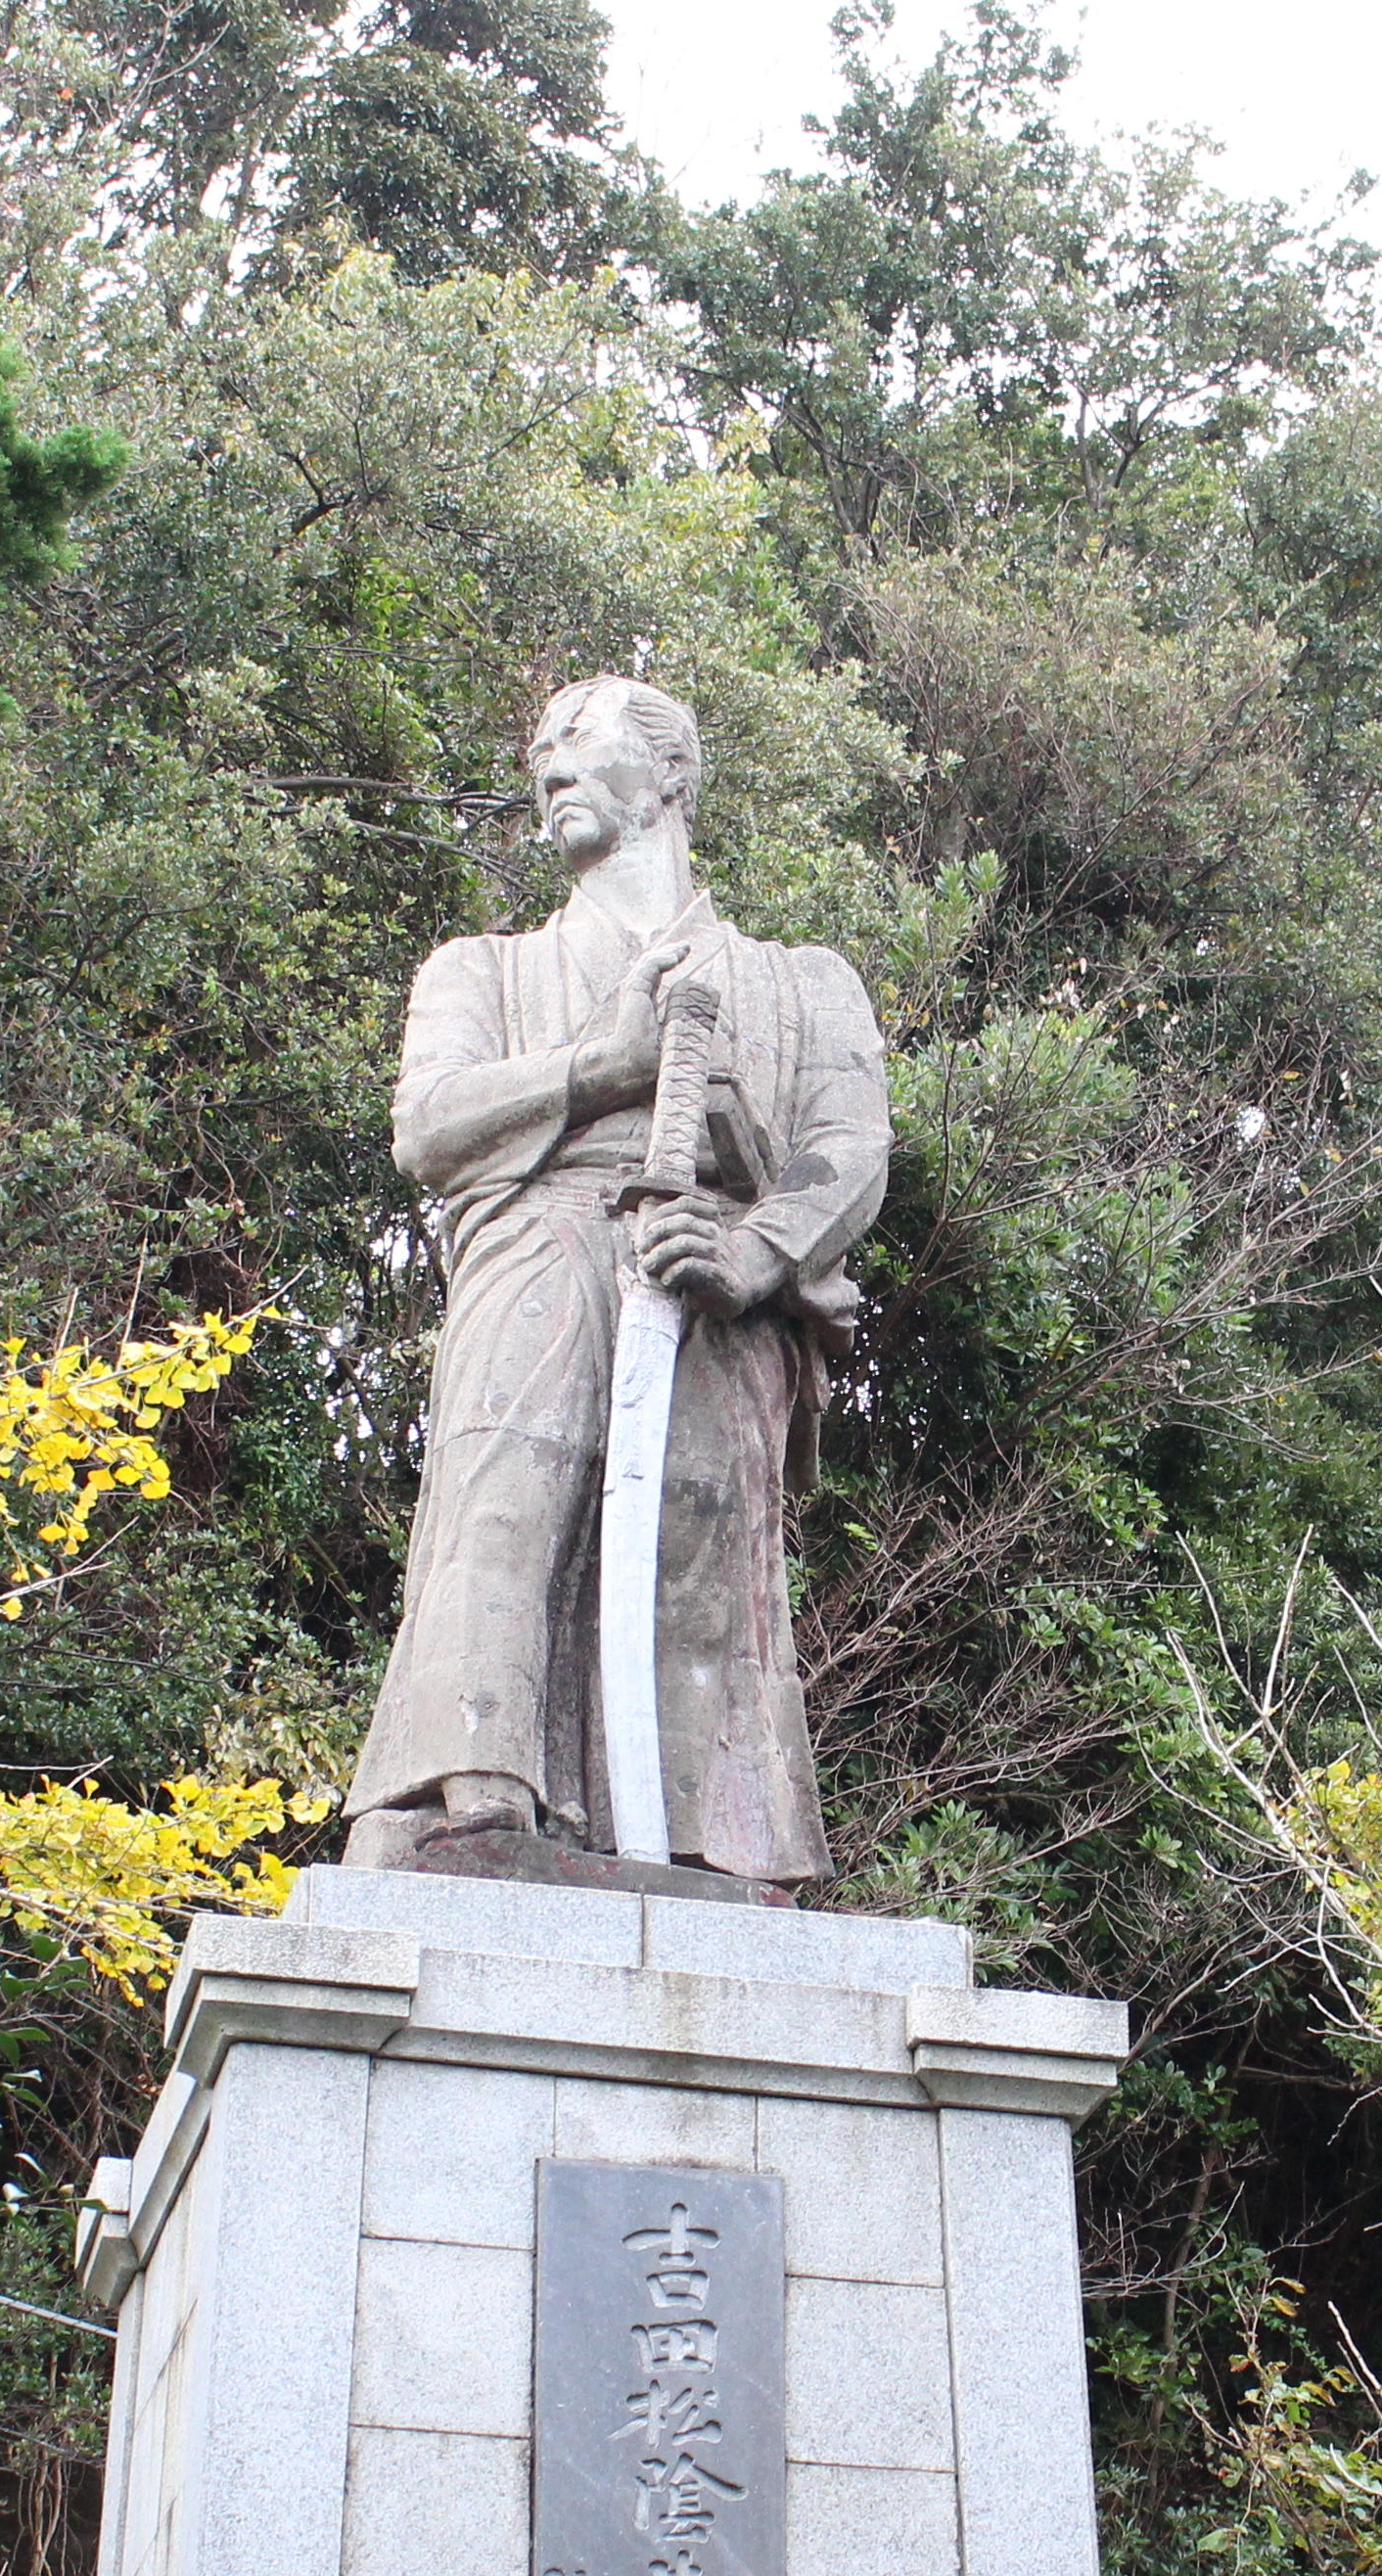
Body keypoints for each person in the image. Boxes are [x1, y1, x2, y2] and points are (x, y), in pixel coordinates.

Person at [342, 675, 891, 1884]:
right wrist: (603, 1064)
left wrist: (755, 1254)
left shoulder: (804, 980)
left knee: (701, 1539)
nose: (548, 759)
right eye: (539, 743)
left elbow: (850, 1150)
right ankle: (474, 1789)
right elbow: (429, 1126)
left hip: (716, 1267)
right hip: (538, 1238)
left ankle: (707, 1840)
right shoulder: (482, 969)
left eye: (578, 735)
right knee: (505, 1490)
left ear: (673, 772)